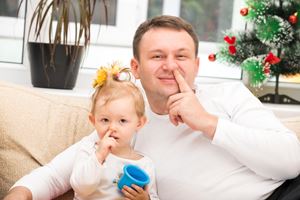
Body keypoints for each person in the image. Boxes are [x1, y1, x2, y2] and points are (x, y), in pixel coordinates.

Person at [4, 15, 300, 200]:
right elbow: (55, 175)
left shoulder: (229, 94)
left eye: (181, 56)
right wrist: (20, 193)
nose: (170, 66)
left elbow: (291, 161)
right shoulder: (128, 121)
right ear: (136, 67)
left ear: (196, 65)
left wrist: (206, 122)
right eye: (157, 56)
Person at [69, 64, 159, 200]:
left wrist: (145, 199)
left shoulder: (145, 165)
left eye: (122, 121)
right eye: (105, 120)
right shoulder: (89, 151)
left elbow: (154, 197)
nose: (112, 128)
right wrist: (99, 156)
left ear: (139, 123)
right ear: (93, 120)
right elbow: (80, 187)